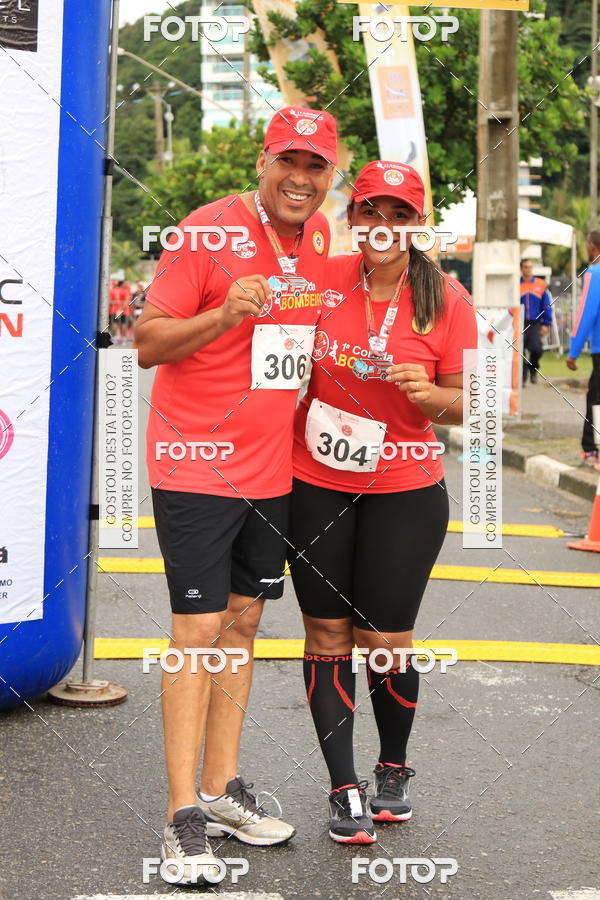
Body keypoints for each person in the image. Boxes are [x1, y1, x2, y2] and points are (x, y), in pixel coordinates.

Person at [134, 106, 337, 883]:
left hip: (270, 469)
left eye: (315, 165)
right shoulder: (205, 231)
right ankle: (181, 815)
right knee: (197, 630)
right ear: (263, 161)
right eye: (289, 160)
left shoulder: (319, 238)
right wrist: (222, 315)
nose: (300, 177)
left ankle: (220, 789)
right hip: (196, 463)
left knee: (245, 622)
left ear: (329, 176)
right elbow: (148, 342)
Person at [289, 160, 477, 844]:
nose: (385, 226)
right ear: (354, 216)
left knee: (386, 640)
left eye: (401, 214)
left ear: (418, 225)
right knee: (328, 637)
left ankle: (392, 767)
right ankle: (343, 788)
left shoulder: (445, 298)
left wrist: (432, 399)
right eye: (373, 211)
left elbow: (475, 402)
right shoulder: (322, 280)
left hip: (404, 487)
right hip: (314, 480)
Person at [566, 229, 600, 470]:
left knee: (596, 398)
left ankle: (591, 450)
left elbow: (586, 314)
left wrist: (573, 351)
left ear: (592, 246)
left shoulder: (594, 273)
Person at [520, 258, 552, 384]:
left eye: (530, 267)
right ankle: (523, 376)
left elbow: (547, 305)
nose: (528, 270)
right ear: (521, 269)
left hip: (535, 323)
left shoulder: (540, 284)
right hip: (521, 323)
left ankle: (533, 369)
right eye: (526, 267)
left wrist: (547, 323)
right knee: (520, 351)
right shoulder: (516, 285)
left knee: (537, 349)